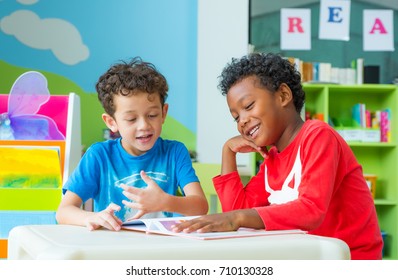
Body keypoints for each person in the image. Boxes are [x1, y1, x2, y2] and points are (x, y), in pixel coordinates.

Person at [172, 52, 383, 260]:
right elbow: (238, 212)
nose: (242, 121)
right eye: (236, 117)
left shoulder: (318, 135)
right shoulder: (272, 159)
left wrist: (235, 218)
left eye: (248, 106)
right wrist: (228, 151)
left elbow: (311, 210)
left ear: (283, 95)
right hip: (308, 256)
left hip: (350, 260)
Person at [56, 57, 208, 231]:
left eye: (152, 115)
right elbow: (63, 211)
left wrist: (164, 202)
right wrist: (92, 217)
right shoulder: (99, 156)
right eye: (131, 119)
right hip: (115, 250)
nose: (144, 125)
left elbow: (200, 206)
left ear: (163, 113)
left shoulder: (175, 152)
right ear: (111, 122)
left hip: (161, 249)